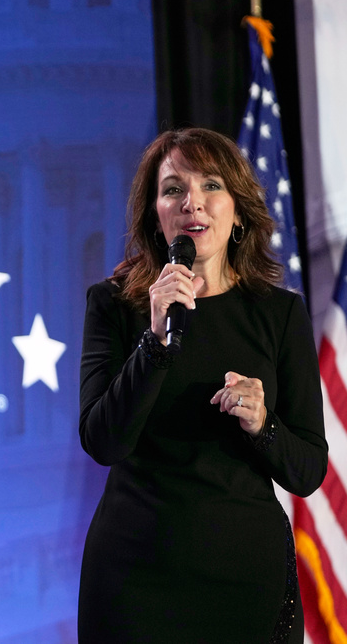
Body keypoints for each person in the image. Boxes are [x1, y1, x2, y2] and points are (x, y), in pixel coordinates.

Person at [77, 128, 327, 642]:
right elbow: (103, 441)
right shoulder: (113, 305)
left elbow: (308, 470)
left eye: (211, 185)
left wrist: (263, 424)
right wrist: (154, 342)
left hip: (245, 585)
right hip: (134, 581)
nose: (193, 203)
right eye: (173, 189)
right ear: (155, 213)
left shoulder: (280, 314)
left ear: (237, 209)